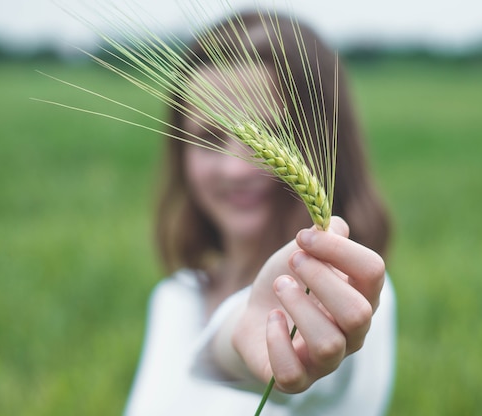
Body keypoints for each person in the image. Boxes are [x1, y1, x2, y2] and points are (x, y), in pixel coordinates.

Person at [124, 10, 396, 416]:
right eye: (208, 136)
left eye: (267, 133)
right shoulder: (176, 295)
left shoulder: (352, 295)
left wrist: (245, 338)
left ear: (324, 142)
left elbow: (304, 371)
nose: (235, 168)